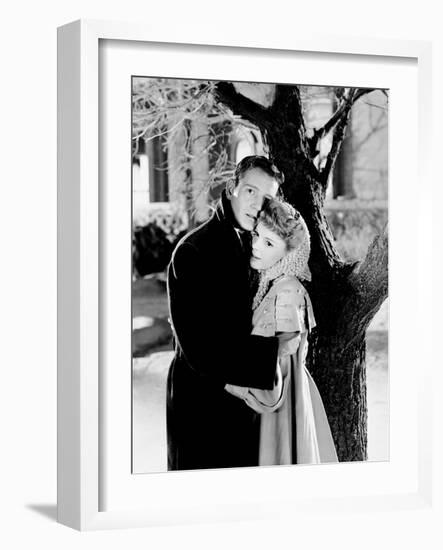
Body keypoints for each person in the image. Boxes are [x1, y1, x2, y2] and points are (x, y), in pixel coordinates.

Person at [166, 155, 284, 471]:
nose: (257, 204)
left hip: (245, 405)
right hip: (201, 407)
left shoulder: (259, 248)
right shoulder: (192, 251)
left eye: (266, 198)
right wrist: (276, 351)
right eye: (250, 191)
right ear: (232, 187)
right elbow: (200, 348)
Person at [225, 197, 338, 465]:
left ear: (289, 253)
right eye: (256, 236)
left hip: (280, 407)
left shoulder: (287, 290)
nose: (255, 246)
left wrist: (229, 383)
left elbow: (282, 363)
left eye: (268, 243)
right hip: (279, 397)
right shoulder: (272, 284)